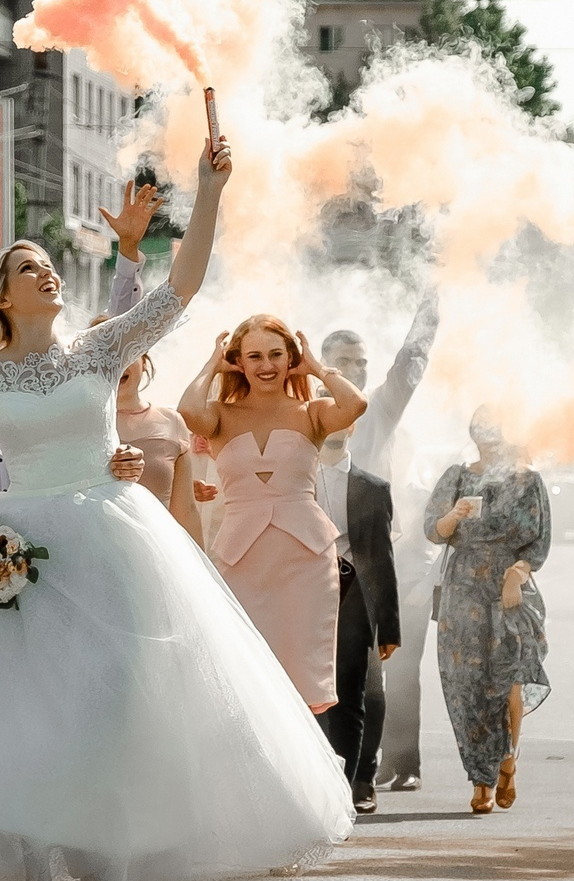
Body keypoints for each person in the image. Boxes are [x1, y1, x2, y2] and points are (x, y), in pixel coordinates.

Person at [0, 135, 352, 881]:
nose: (50, 275)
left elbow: (183, 287)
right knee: (30, 719)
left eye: (49, 267)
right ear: (1, 298)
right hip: (21, 556)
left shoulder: (100, 348)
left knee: (114, 712)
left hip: (112, 538)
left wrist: (208, 190)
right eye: (32, 269)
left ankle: (107, 876)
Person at [180, 314, 367, 712]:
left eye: (276, 354)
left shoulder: (312, 412)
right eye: (255, 356)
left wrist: (316, 367)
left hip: (306, 563)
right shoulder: (219, 415)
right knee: (241, 680)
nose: (266, 365)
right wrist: (212, 365)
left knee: (302, 687)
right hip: (240, 561)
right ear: (238, 361)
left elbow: (355, 404)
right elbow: (187, 410)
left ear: (290, 358)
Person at [312, 294, 440, 812]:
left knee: (376, 672)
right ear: (324, 364)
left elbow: (407, 369)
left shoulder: (377, 408)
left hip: (372, 557)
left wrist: (429, 311)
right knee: (318, 672)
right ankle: (323, 769)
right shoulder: (304, 408)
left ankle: (381, 767)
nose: (356, 370)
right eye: (344, 361)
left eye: (362, 362)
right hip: (308, 558)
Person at [424, 408, 552, 815]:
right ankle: (481, 777)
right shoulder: (457, 477)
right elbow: (433, 530)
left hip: (509, 588)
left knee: (508, 678)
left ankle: (508, 758)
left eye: (495, 428)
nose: (488, 437)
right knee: (466, 686)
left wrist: (517, 574)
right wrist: (454, 514)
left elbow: (539, 542)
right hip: (462, 590)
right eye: (481, 429)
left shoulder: (528, 480)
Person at [98, 180, 203, 545]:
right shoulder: (79, 417)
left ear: (145, 357)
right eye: (103, 356)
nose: (117, 363)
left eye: (129, 354)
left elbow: (186, 511)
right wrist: (126, 249)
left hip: (159, 555)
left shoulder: (172, 422)